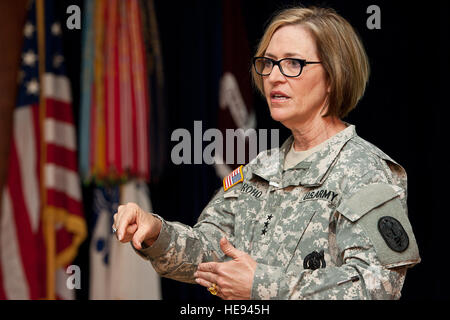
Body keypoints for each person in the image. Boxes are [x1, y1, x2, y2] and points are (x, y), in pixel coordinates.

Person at [112, 6, 420, 300]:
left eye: (292, 63)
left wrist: (262, 285)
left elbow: (376, 287)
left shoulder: (366, 170)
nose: (273, 76)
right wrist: (155, 231)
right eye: (268, 62)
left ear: (332, 76)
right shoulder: (261, 168)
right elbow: (210, 252)